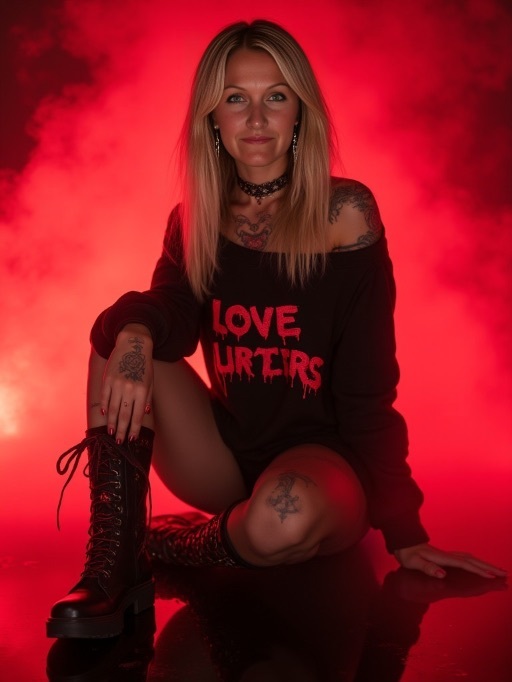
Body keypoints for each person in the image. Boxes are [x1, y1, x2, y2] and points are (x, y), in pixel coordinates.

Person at [46, 19, 506, 639]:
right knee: (120, 339)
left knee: (279, 523)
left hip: (323, 468)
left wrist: (405, 532)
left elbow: (369, 389)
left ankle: (191, 543)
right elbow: (172, 318)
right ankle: (114, 568)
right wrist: (132, 333)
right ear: (213, 117)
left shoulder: (346, 214)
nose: (257, 118)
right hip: (224, 454)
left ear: (300, 112)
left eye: (276, 96)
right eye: (236, 98)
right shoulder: (195, 219)